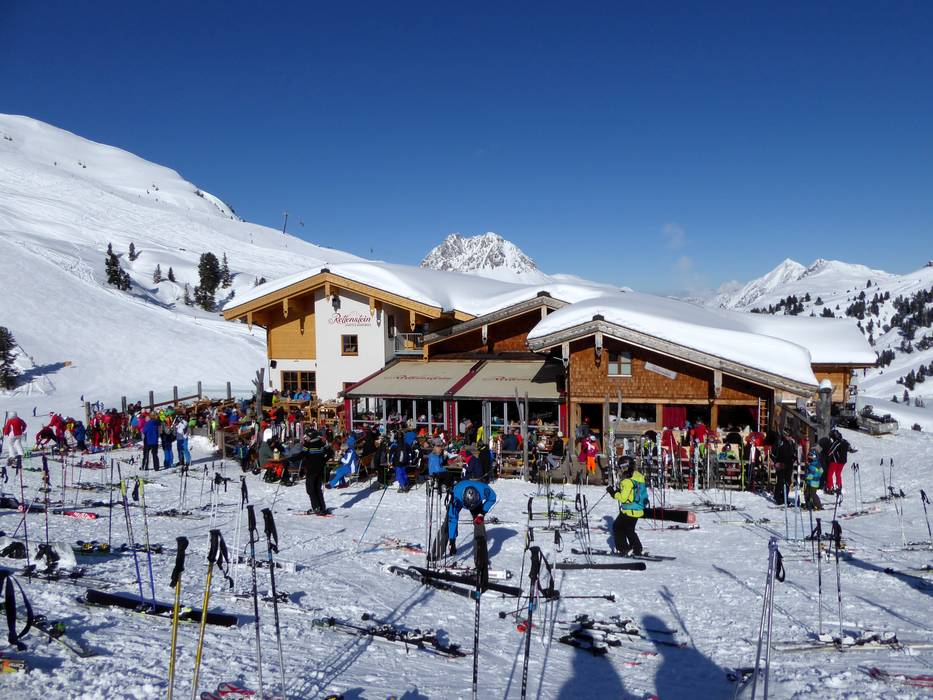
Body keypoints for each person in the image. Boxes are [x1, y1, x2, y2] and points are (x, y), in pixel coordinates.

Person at [446, 479, 497, 555]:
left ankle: (481, 556)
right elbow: (453, 519)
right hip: (459, 500)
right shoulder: (456, 496)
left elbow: (492, 498)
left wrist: (482, 512)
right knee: (448, 521)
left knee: (479, 524)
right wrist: (452, 540)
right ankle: (437, 552)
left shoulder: (483, 490)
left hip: (477, 504)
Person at [609, 459, 647, 556]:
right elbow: (633, 491)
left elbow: (623, 498)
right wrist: (621, 490)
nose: (620, 471)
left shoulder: (627, 481)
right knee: (629, 530)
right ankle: (637, 548)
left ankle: (623, 549)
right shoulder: (638, 476)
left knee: (617, 527)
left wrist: (613, 493)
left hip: (629, 510)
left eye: (621, 468)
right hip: (638, 509)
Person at [301, 429, 333, 514]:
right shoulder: (321, 443)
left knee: (310, 489)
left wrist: (290, 459)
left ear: (311, 436)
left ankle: (316, 507)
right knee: (317, 489)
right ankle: (322, 507)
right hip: (319, 470)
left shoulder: (308, 445)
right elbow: (330, 453)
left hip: (311, 470)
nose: (305, 437)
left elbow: (302, 455)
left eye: (307, 436)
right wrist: (323, 460)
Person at [825, 429, 856, 495]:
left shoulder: (837, 442)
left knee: (830, 474)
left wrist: (826, 457)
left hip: (835, 461)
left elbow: (831, 451)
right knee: (838, 474)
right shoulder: (845, 441)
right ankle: (839, 487)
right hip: (843, 461)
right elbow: (850, 449)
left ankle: (830, 488)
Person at [772, 427, 797, 505]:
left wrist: (794, 457)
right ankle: (777, 497)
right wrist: (776, 462)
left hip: (789, 464)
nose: (790, 437)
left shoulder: (791, 442)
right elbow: (773, 453)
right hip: (781, 463)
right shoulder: (779, 442)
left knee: (788, 481)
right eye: (788, 436)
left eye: (790, 436)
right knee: (780, 481)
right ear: (785, 435)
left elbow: (793, 452)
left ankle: (785, 497)